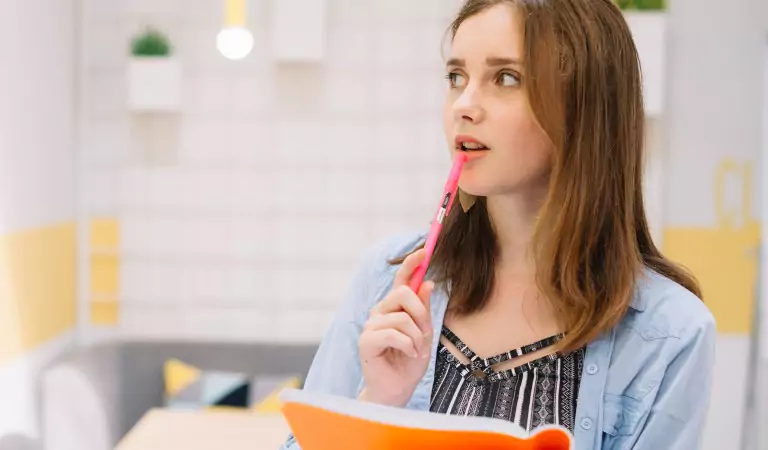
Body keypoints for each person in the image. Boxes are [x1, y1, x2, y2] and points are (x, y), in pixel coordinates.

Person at [280, 0, 716, 448]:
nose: (463, 106)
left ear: (583, 106)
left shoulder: (671, 334)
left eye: (506, 78)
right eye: (456, 78)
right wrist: (378, 403)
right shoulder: (386, 278)